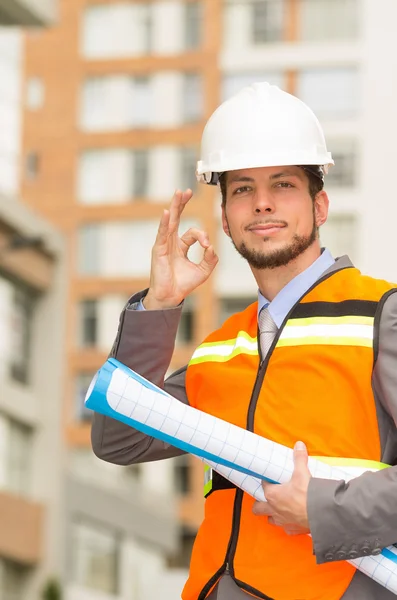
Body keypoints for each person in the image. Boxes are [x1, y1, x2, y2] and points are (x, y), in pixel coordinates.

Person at [91, 82, 397, 600]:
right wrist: (161, 303)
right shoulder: (221, 347)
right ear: (227, 218)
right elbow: (119, 439)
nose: (261, 204)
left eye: (282, 185)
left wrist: (324, 510)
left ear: (320, 205)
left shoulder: (379, 315)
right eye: (241, 189)